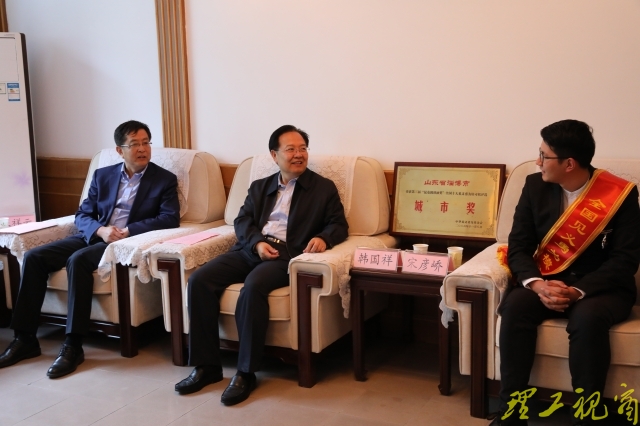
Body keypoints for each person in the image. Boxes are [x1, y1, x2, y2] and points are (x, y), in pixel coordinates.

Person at [175, 124, 348, 405]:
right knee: (199, 280)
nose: (298, 154)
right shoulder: (260, 186)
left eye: (303, 148)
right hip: (251, 249)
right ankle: (207, 366)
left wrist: (323, 237)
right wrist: (256, 243)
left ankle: (245, 372)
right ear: (274, 155)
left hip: (286, 255)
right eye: (290, 149)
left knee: (253, 286)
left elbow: (339, 224)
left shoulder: (323, 188)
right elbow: (242, 220)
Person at [0, 120, 180, 378]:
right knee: (34, 257)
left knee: (78, 261)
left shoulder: (164, 179)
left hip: (124, 243)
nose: (142, 149)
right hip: (96, 235)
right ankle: (25, 338)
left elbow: (169, 218)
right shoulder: (103, 175)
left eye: (145, 143)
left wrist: (128, 230)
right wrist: (100, 230)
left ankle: (73, 345)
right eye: (134, 144)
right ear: (119, 150)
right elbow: (82, 214)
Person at [492, 120, 640, 426]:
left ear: (569, 163)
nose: (538, 162)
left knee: (587, 319)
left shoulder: (621, 195)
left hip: (601, 288)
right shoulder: (534, 186)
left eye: (544, 156)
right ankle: (511, 413)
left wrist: (576, 291)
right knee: (515, 306)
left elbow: (625, 259)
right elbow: (518, 247)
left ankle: (587, 417)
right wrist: (537, 285)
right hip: (546, 280)